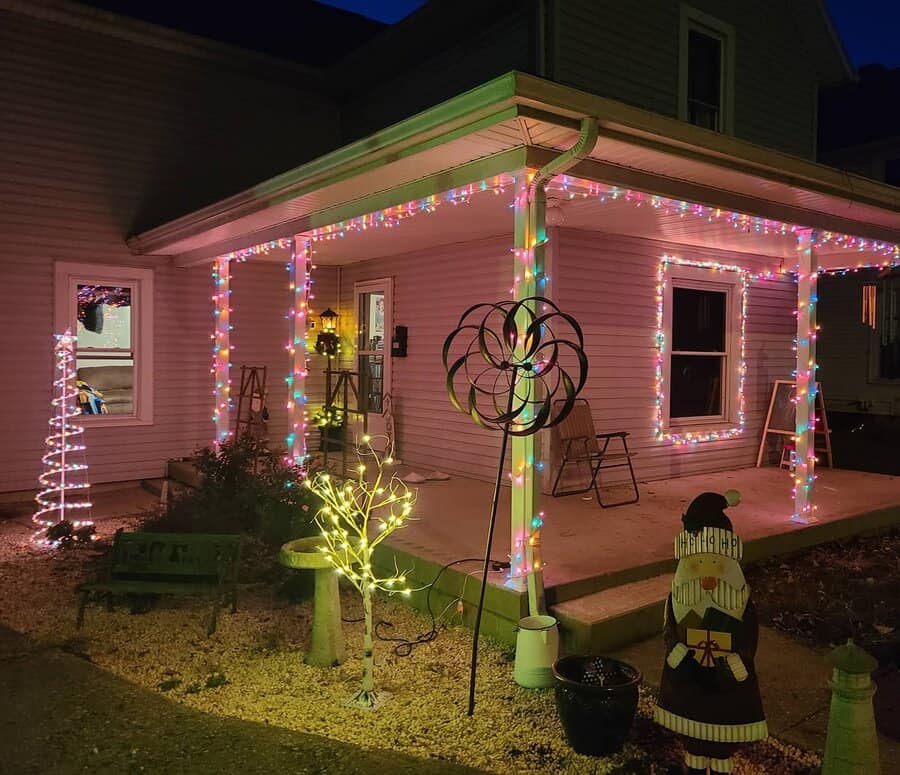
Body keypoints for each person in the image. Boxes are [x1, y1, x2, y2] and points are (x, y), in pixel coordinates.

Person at [655, 490, 767, 774]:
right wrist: (676, 649)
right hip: (688, 675)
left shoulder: (739, 603)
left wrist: (737, 659)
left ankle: (720, 765)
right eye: (697, 565)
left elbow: (748, 636)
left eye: (715, 565)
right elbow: (670, 629)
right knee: (693, 733)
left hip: (726, 678)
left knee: (721, 738)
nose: (706, 578)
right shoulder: (678, 598)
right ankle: (694, 761)